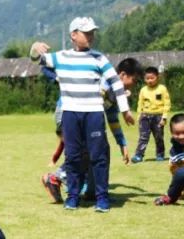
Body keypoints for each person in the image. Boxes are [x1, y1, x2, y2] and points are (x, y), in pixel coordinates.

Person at [30, 17, 134, 212]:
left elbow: (116, 82)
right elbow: (36, 59)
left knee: (98, 156)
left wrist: (125, 110)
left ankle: (102, 199)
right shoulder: (61, 57)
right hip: (70, 113)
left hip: (94, 113)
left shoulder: (99, 58)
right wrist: (35, 46)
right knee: (73, 156)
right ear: (74, 35)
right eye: (87, 33)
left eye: (92, 32)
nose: (91, 36)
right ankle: (73, 197)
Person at [40, 58, 139, 203]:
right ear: (122, 75)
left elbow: (112, 119)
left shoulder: (114, 94)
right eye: (134, 80)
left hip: (87, 120)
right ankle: (56, 178)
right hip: (68, 113)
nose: (134, 85)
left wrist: (122, 143)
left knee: (98, 149)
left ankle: (90, 189)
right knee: (86, 149)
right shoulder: (101, 83)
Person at [132, 67, 171, 163]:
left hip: (158, 116)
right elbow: (140, 103)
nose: (149, 80)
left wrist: (164, 117)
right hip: (145, 116)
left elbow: (167, 103)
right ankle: (138, 155)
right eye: (147, 78)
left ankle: (160, 155)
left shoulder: (162, 89)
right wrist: (139, 115)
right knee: (143, 137)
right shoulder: (143, 90)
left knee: (159, 137)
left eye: (152, 78)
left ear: (157, 77)